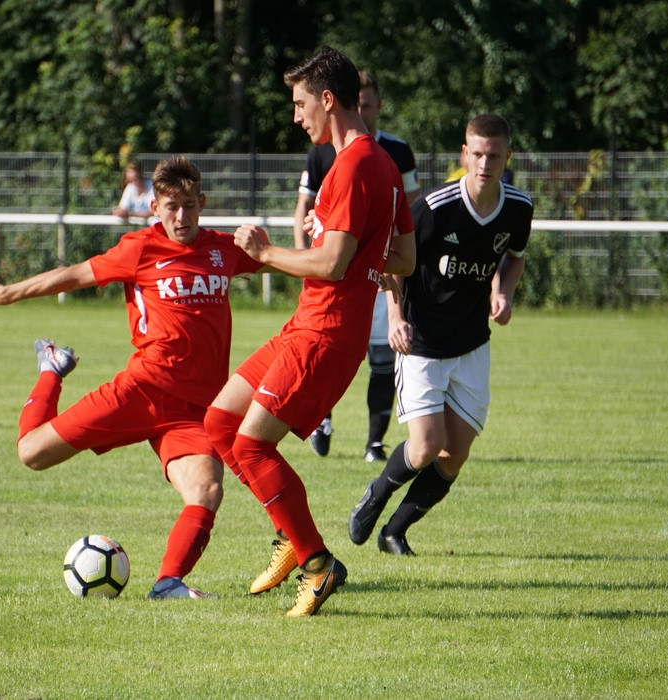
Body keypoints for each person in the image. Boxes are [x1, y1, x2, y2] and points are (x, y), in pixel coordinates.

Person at [0, 157, 264, 600]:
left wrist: (365, 267)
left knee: (206, 490)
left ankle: (168, 584)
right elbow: (73, 275)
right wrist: (7, 292)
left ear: (202, 202)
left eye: (190, 205)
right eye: (172, 206)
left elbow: (293, 263)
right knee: (31, 453)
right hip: (141, 391)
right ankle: (51, 370)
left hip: (194, 410)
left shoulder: (222, 250)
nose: (181, 216)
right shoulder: (140, 248)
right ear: (154, 207)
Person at [203, 47, 416, 617]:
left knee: (249, 444)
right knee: (220, 421)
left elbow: (331, 264)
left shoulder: (352, 167)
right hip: (306, 323)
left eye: (301, 104)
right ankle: (292, 536)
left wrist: (267, 251)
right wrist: (367, 255)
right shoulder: (383, 165)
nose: (297, 117)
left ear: (328, 100)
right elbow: (407, 258)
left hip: (324, 334)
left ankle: (318, 564)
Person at [348, 113, 534, 557]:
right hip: (422, 341)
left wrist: (503, 293)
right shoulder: (436, 208)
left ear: (507, 157)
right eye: (477, 154)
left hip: (471, 342)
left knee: (454, 455)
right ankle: (376, 494)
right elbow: (392, 258)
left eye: (494, 155)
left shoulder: (519, 207)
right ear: (464, 155)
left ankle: (396, 531)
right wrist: (395, 319)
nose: (484, 163)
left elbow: (515, 258)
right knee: (427, 444)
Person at [292, 70, 423, 462]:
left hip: (374, 273)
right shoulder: (322, 150)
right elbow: (308, 212)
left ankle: (374, 442)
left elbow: (409, 215)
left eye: (367, 104)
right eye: (358, 103)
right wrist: (308, 257)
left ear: (376, 106)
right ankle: (322, 418)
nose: (362, 110)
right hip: (332, 282)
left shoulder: (390, 154)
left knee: (381, 356)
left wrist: (266, 256)